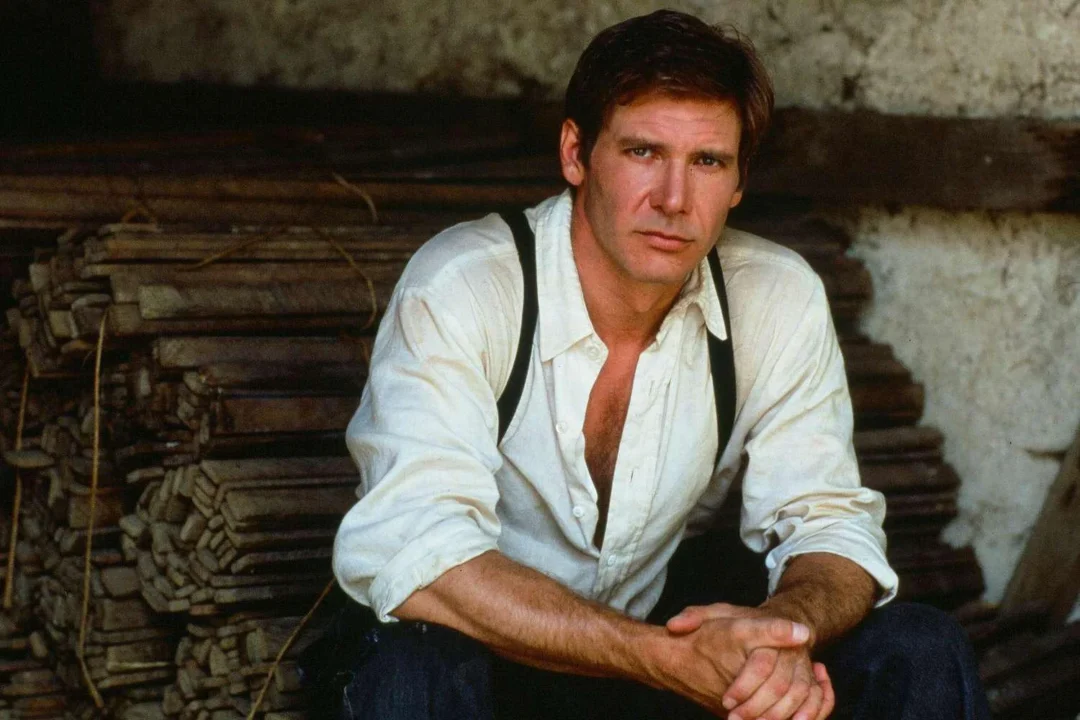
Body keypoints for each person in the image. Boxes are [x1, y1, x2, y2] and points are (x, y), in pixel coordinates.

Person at [324, 10, 990, 720]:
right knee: (411, 670)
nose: (674, 201)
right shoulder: (466, 287)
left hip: (663, 656)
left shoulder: (775, 296)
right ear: (576, 154)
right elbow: (421, 557)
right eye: (644, 152)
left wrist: (782, 634)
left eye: (707, 162)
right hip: (495, 658)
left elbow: (828, 524)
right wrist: (658, 657)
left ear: (737, 182)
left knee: (919, 647)